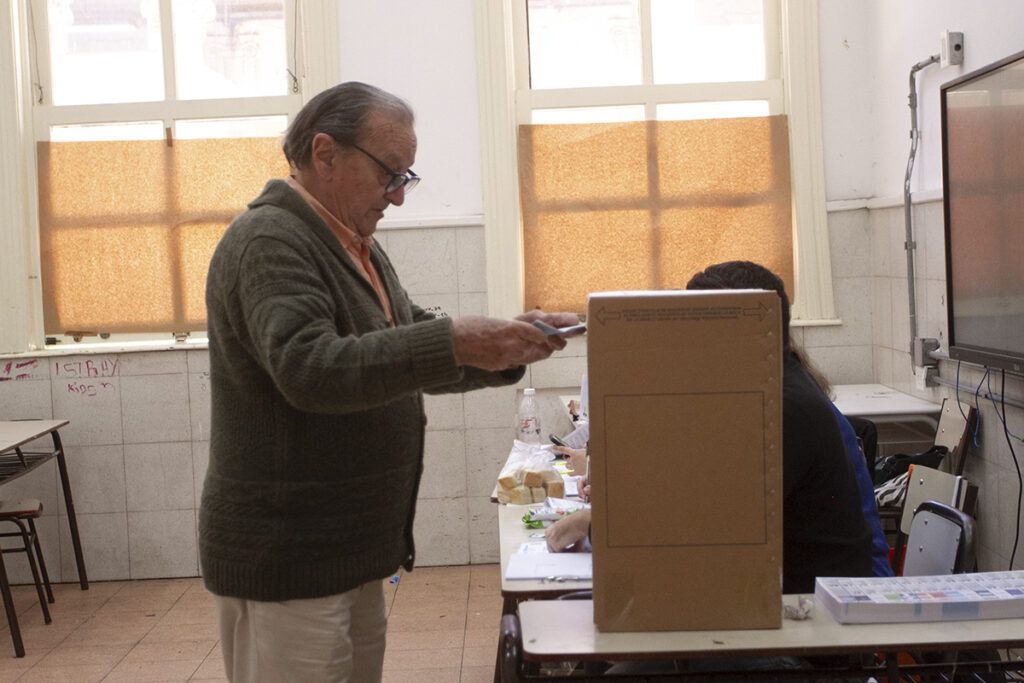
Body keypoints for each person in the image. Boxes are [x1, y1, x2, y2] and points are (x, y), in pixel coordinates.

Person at [200, 81, 579, 683]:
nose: (397, 198)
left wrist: (505, 341)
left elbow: (403, 346)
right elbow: (311, 370)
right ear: (325, 154)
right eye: (389, 175)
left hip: (347, 552)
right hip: (290, 557)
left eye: (406, 177)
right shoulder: (271, 239)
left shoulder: (355, 245)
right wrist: (458, 340)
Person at [546, 261, 873, 593]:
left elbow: (706, 522)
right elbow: (696, 479)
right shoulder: (754, 388)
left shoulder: (783, 407)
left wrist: (593, 525)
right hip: (772, 594)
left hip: (808, 612)